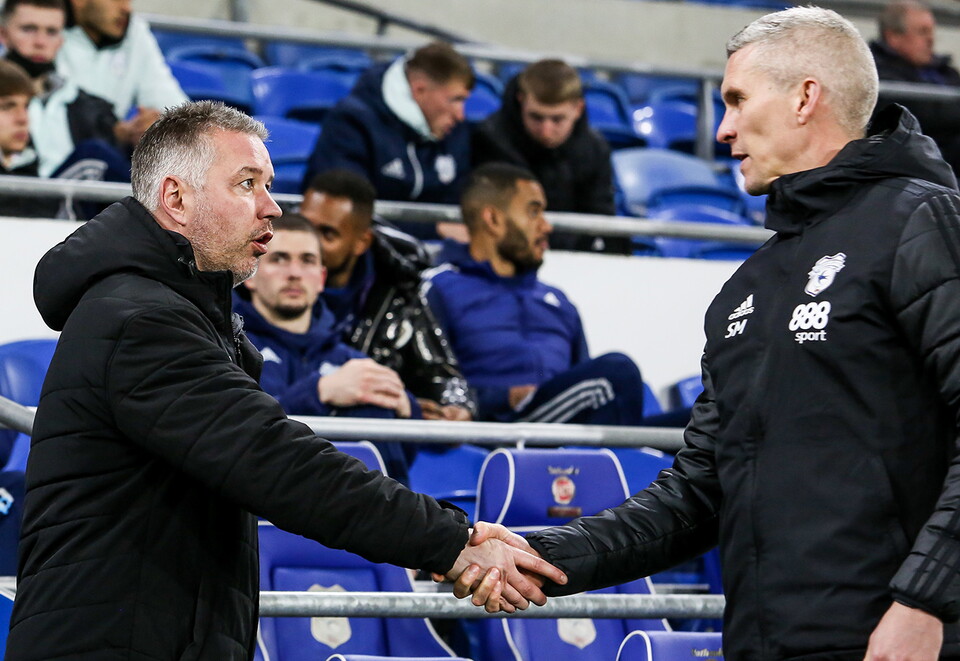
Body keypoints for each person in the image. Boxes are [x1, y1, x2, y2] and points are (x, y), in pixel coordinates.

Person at [457, 7, 960, 660]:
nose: (721, 129)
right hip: (764, 642)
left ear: (806, 96)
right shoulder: (746, 287)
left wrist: (925, 601)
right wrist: (543, 552)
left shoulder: (924, 221)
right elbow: (697, 496)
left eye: (735, 100)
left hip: (903, 641)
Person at [5, 100, 566, 659]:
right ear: (176, 198)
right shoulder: (140, 320)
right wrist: (452, 543)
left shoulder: (173, 312)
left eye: (268, 183)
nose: (272, 207)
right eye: (247, 183)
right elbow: (278, 462)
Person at [422, 162, 644, 425]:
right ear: (493, 220)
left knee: (702, 425)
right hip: (501, 428)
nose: (546, 226)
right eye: (534, 212)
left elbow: (581, 379)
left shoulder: (558, 300)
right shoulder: (439, 290)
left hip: (564, 421)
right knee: (616, 373)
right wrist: (505, 398)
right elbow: (429, 387)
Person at [233, 212, 424, 484]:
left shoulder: (351, 360)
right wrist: (321, 392)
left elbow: (403, 454)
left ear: (322, 278)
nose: (295, 274)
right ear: (251, 274)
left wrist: (407, 409)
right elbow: (238, 438)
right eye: (279, 259)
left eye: (307, 261)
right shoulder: (229, 347)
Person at [300, 169, 476, 422]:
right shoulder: (259, 284)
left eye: (327, 234)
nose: (309, 242)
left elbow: (440, 372)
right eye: (305, 226)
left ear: (362, 242)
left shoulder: (401, 292)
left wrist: (454, 406)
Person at [301, 41, 473, 240]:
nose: (460, 114)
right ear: (419, 90)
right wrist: (435, 229)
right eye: (455, 100)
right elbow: (346, 211)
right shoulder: (351, 123)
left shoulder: (453, 130)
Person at [472, 59, 624, 253]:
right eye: (536, 117)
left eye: (557, 119)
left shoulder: (595, 149)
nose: (546, 130)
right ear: (521, 100)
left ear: (578, 109)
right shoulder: (489, 139)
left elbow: (600, 217)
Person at [0, 0, 130, 179]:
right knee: (93, 154)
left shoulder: (91, 107)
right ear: (3, 35)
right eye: (28, 29)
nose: (40, 42)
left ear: (61, 41)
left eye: (51, 32)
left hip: (73, 201)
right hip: (19, 198)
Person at [56, 0, 187, 143]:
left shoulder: (134, 31)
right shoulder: (43, 30)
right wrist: (116, 132)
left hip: (107, 154)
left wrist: (158, 125)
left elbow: (171, 103)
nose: (126, 8)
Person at [870, 0, 960, 172]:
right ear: (893, 37)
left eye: (932, 31)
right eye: (922, 32)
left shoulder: (943, 70)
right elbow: (920, 112)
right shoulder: (879, 74)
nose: (930, 39)